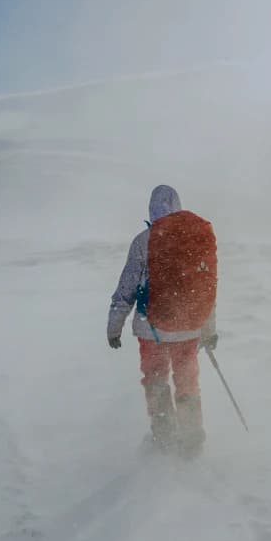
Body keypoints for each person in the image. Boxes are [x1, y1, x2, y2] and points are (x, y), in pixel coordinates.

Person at [108, 185, 218, 457]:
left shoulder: (143, 241)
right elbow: (205, 290)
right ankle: (192, 440)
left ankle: (164, 435)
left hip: (151, 329)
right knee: (187, 383)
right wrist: (208, 330)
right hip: (188, 330)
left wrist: (114, 326)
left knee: (156, 380)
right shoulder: (194, 240)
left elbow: (126, 289)